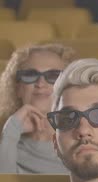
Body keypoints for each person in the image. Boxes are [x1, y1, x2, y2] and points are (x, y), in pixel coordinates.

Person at [0, 43, 75, 174]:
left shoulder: (83, 141)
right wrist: (10, 133)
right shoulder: (7, 140)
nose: (40, 84)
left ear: (67, 87)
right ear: (17, 88)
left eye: (53, 76)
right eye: (30, 75)